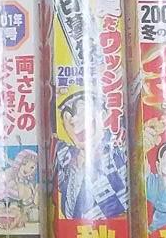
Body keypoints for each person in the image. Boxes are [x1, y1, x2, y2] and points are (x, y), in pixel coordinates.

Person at [54, 89, 128, 221]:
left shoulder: (118, 152)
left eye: (82, 111)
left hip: (112, 229)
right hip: (75, 230)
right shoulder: (66, 156)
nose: (74, 120)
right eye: (67, 117)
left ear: (103, 115)